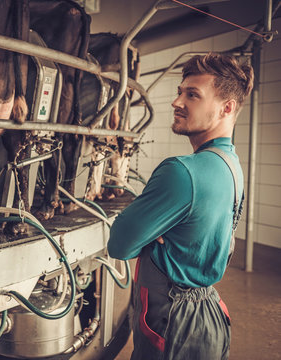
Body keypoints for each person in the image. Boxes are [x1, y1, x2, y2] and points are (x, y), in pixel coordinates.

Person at [107, 52, 254, 360]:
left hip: (174, 324)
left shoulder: (182, 171)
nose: (177, 102)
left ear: (227, 108)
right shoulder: (231, 165)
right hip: (209, 315)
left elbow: (120, 243)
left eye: (192, 95)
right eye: (179, 92)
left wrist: (149, 229)